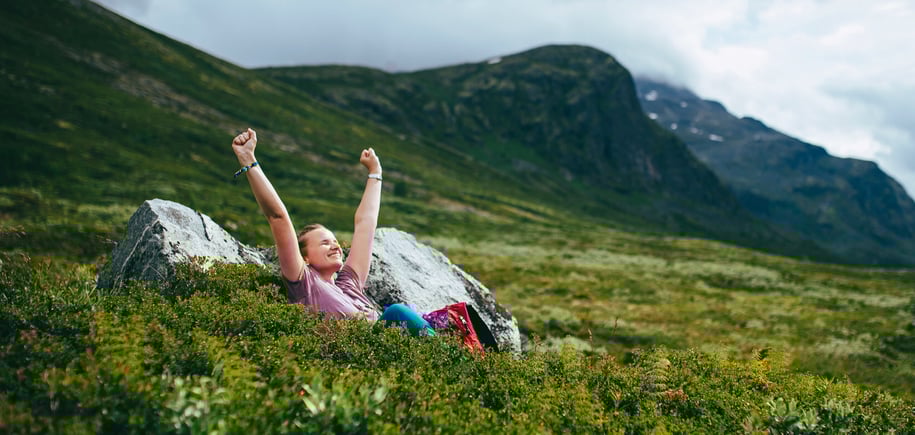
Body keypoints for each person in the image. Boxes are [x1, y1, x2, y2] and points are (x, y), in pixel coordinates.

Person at [231, 128, 433, 336]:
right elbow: (278, 218)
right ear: (305, 258)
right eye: (324, 243)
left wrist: (375, 173)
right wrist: (248, 160)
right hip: (364, 355)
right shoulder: (304, 283)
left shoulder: (349, 284)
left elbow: (366, 224)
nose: (335, 245)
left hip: (398, 351)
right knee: (397, 311)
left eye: (335, 241)